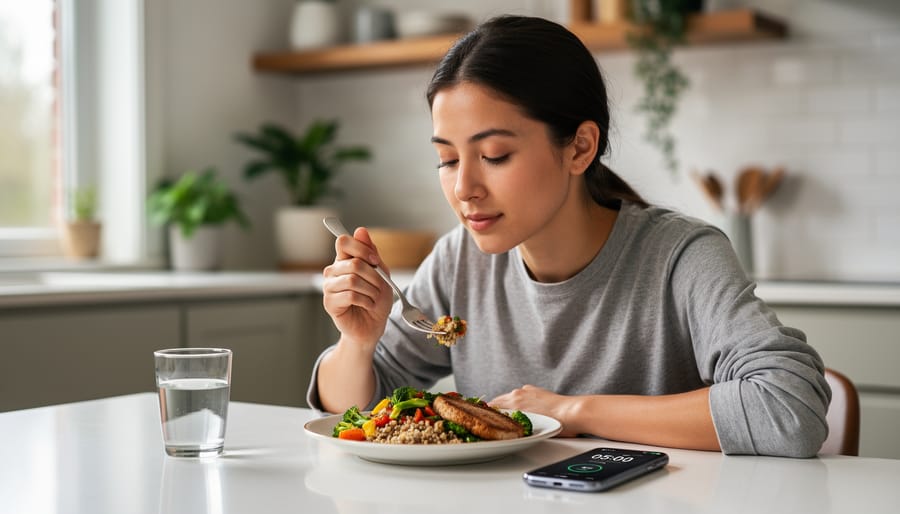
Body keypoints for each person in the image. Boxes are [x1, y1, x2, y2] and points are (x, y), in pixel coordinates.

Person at [308, 15, 830, 457]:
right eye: (447, 159)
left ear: (580, 147)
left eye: (494, 156)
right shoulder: (458, 260)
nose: (463, 187)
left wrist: (571, 410)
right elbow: (354, 408)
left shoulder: (681, 258)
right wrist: (356, 343)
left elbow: (788, 406)